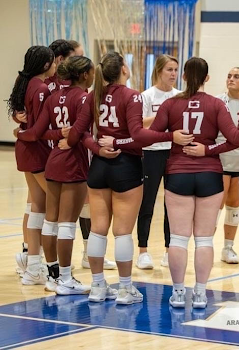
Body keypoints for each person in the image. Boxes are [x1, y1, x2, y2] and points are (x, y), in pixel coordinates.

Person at [132, 57, 239, 309]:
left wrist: (171, 136)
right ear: (207, 78)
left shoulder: (170, 104)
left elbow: (145, 136)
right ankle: (200, 293)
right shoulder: (215, 104)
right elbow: (235, 138)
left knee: (178, 239)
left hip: (178, 174)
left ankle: (179, 293)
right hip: (211, 175)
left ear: (184, 77)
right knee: (204, 240)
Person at [63, 52, 177, 304]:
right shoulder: (132, 95)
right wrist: (169, 136)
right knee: (123, 232)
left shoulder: (94, 95)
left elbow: (76, 135)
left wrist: (97, 147)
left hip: (100, 167)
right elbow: (137, 136)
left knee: (98, 229)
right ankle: (125, 289)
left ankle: (97, 287)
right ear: (124, 69)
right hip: (126, 166)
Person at [14, 56, 95, 295]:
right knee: (67, 224)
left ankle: (52, 276)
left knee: (51, 221)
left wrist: (20, 132)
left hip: (53, 161)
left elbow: (38, 132)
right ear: (83, 75)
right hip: (73, 164)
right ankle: (66, 278)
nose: (92, 76)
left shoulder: (52, 98)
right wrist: (74, 141)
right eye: (91, 72)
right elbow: (80, 134)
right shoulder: (83, 98)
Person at [7, 46, 56, 286]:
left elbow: (22, 119)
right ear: (46, 65)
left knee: (38, 205)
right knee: (55, 206)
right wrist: (64, 133)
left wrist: (20, 129)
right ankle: (55, 269)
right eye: (54, 62)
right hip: (36, 151)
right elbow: (38, 131)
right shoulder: (42, 88)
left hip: (24, 150)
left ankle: (34, 267)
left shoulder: (23, 82)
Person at [136, 55, 180, 270]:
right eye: (169, 69)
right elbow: (139, 125)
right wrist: (161, 115)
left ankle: (168, 250)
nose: (173, 74)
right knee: (147, 203)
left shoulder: (179, 96)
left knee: (171, 204)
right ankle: (142, 251)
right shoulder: (146, 96)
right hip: (151, 153)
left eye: (175, 70)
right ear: (159, 71)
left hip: (173, 153)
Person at [216, 67, 239, 264]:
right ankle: (206, 245)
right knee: (215, 206)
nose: (231, 79)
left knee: (234, 206)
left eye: (237, 76)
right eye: (229, 76)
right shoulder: (218, 101)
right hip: (220, 160)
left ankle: (228, 248)